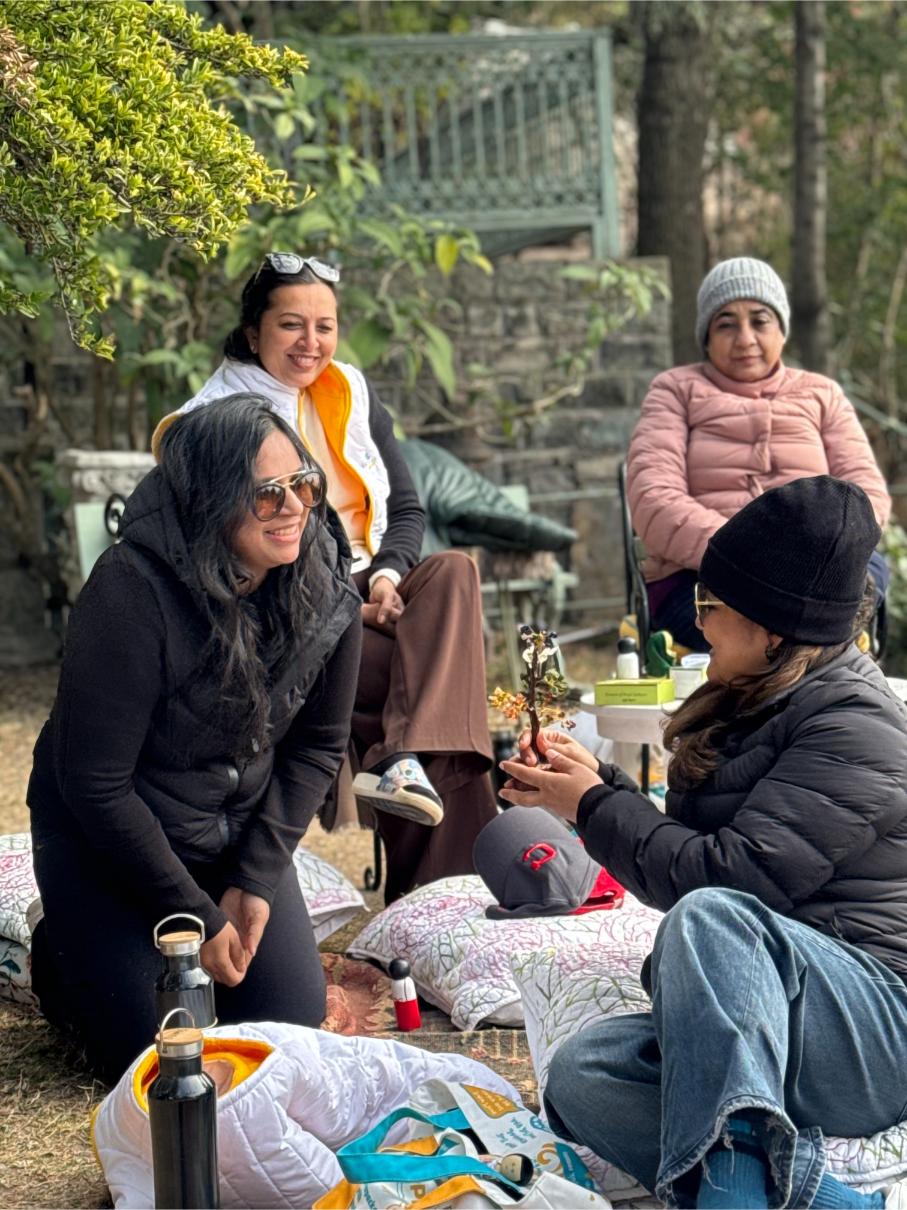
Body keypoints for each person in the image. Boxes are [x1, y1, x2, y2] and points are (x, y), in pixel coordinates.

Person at [497, 476, 907, 1209]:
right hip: (771, 1008)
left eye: (710, 603)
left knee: (712, 917)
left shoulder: (858, 726)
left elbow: (728, 882)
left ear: (773, 627)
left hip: (874, 1024)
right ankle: (832, 1202)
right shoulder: (762, 697)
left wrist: (592, 805)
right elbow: (703, 851)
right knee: (584, 1075)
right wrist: (600, 787)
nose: (695, 620)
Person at [28, 395, 362, 1082]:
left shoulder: (327, 580)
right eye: (266, 495)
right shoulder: (129, 590)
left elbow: (318, 746)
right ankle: (61, 954)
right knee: (160, 1058)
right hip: (109, 848)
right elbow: (95, 785)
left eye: (303, 484)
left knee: (284, 1031)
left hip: (230, 839)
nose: (293, 508)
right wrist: (195, 916)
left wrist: (255, 879)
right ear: (210, 500)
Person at [152, 252, 498, 903]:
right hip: (287, 617)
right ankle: (449, 894)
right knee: (433, 690)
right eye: (291, 324)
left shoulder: (348, 393)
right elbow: (226, 560)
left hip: (371, 589)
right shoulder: (218, 422)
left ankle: (401, 760)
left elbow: (406, 509)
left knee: (454, 571)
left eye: (325, 326)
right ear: (252, 331)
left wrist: (388, 577)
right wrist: (346, 610)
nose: (310, 343)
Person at [627, 256, 891, 652]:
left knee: (870, 567)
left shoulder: (822, 394)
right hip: (707, 581)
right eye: (726, 324)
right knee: (794, 639)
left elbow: (865, 494)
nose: (745, 339)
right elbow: (654, 500)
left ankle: (814, 653)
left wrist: (806, 558)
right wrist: (747, 555)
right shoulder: (674, 391)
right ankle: (819, 651)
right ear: (706, 337)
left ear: (781, 330)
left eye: (760, 321)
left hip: (815, 574)